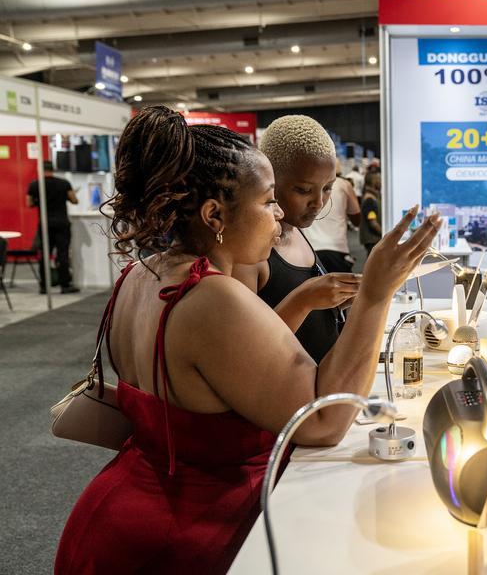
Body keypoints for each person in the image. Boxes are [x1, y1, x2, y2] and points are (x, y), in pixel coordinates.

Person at [55, 106, 440, 574]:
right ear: (215, 214)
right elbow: (323, 422)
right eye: (268, 201)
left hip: (123, 512)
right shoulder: (212, 299)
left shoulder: (140, 274)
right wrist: (376, 295)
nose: (278, 214)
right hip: (185, 532)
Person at [231, 115, 362, 364]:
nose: (319, 203)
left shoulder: (296, 230)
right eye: (303, 190)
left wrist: (338, 299)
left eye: (328, 188)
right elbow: (246, 352)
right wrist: (304, 300)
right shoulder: (248, 255)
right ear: (268, 180)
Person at [26, 161, 80, 294]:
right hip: (62, 223)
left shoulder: (35, 184)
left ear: (41, 169)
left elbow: (29, 203)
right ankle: (65, 285)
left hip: (45, 224)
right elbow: (74, 200)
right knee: (63, 254)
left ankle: (44, 286)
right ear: (53, 169)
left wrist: (40, 201)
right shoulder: (64, 183)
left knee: (45, 254)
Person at [303, 173, 361, 274]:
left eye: (327, 189)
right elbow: (357, 219)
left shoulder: (304, 181)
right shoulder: (343, 184)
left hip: (309, 248)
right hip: (336, 248)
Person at [359, 169, 382, 255]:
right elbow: (373, 222)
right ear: (374, 181)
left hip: (374, 239)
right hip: (373, 239)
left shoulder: (372, 197)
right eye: (379, 179)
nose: (381, 182)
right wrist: (384, 233)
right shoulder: (370, 199)